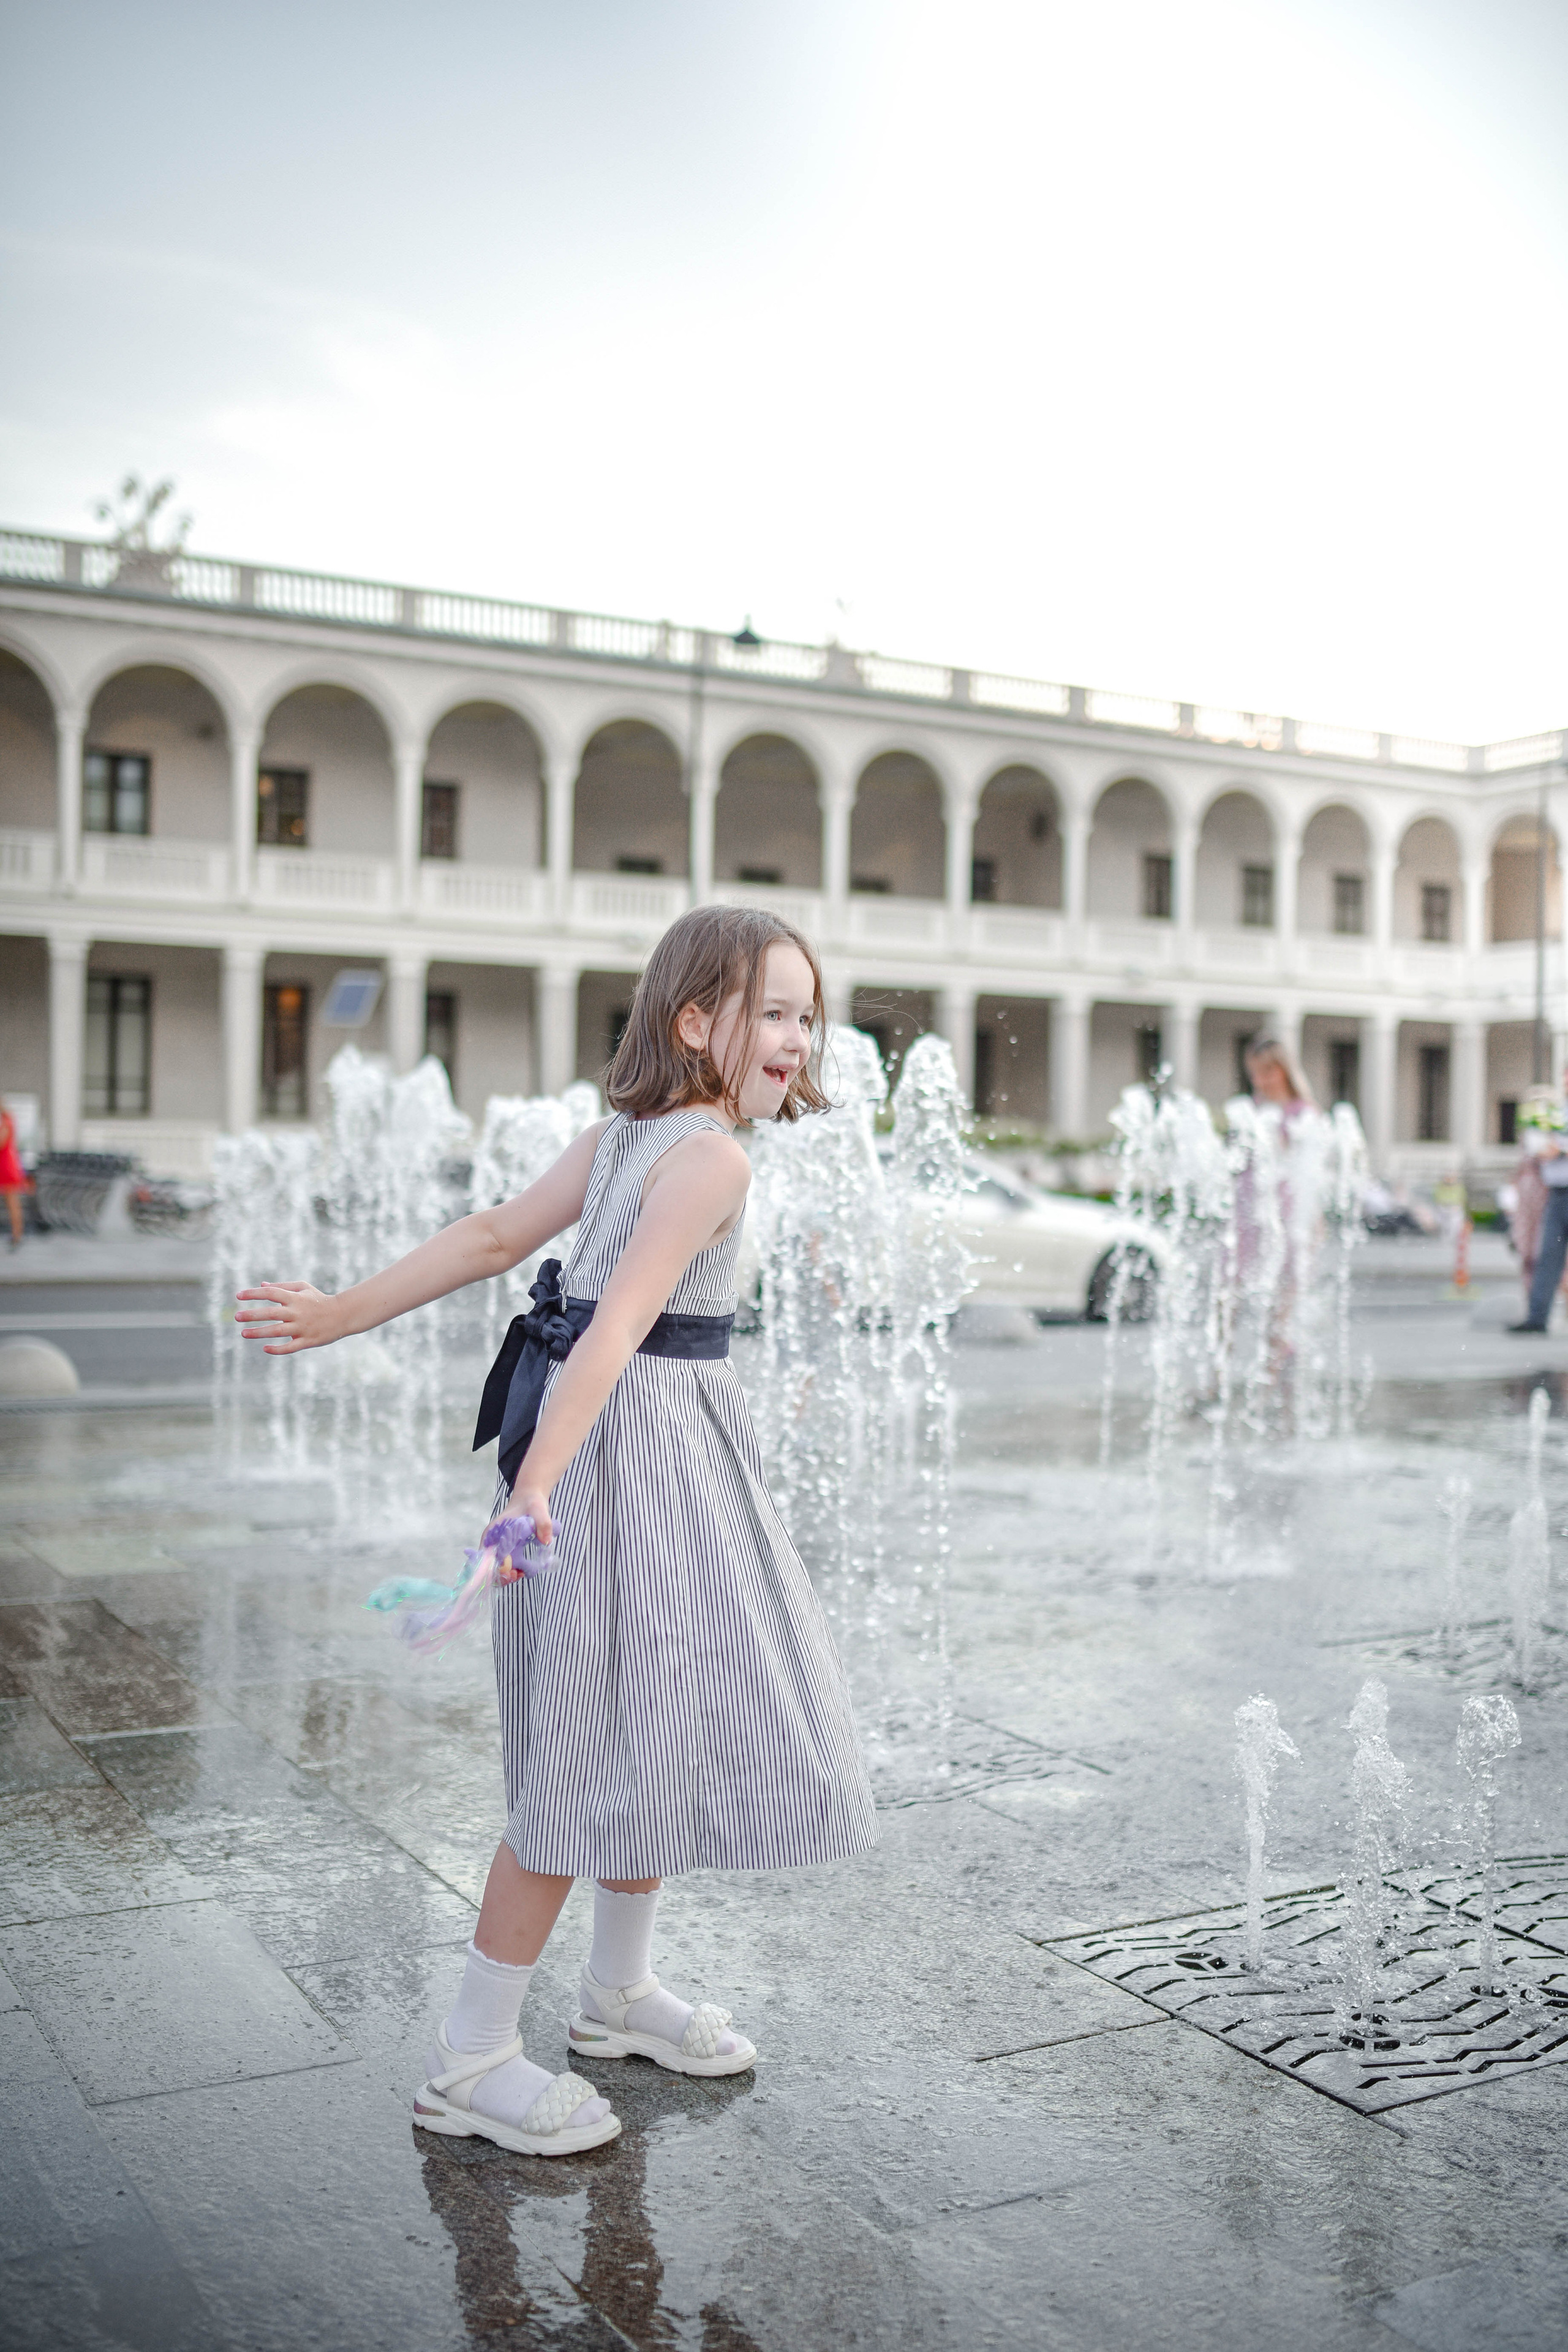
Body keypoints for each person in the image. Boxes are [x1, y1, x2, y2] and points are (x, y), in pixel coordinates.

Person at [234, 907, 878, 2158]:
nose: (799, 1035)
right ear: (695, 1022)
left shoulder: (628, 1136)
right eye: (774, 1009)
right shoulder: (704, 1159)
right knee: (583, 1752)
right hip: (616, 1470)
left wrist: (341, 1315)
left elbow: (489, 1243)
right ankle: (471, 2057)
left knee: (655, 1719)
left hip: (652, 1470)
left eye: (810, 1011)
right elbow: (610, 1330)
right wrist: (536, 1486)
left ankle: (614, 1997)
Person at [1510, 1066, 1568, 1333]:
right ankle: (1537, 1318)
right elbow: (1539, 1148)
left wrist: (1561, 1147)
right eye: (1565, 1076)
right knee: (1548, 1257)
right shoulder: (1554, 1113)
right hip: (1555, 1193)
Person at [0, 1103, 28, 1250]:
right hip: (5, 1167)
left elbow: (1, 1143)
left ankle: (17, 1234)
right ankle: (16, 1234)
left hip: (7, 1168)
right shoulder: (8, 1121)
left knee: (12, 1203)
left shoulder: (7, 1122)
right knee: (11, 1203)